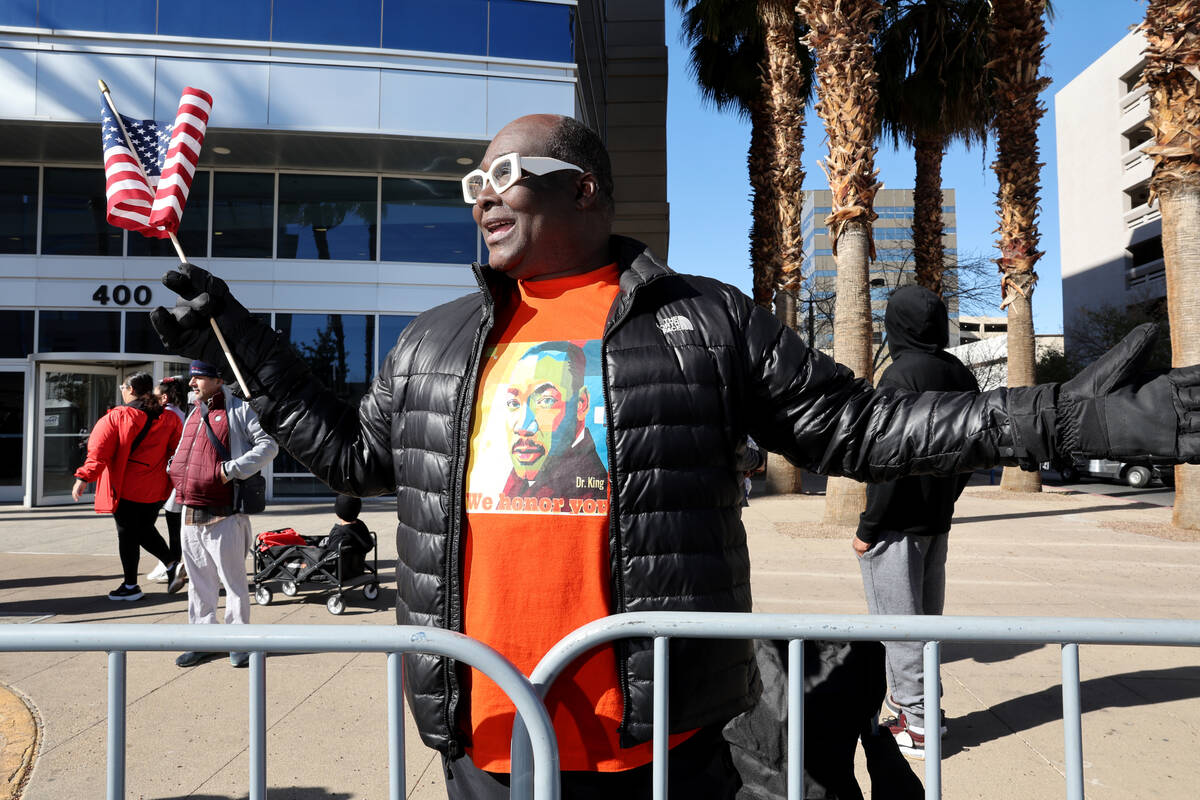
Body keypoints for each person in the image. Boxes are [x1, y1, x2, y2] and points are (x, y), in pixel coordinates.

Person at [150, 113, 1200, 797]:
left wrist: (1075, 421)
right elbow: (355, 455)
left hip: (655, 739)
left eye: (511, 172)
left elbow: (862, 428)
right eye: (476, 175)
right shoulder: (433, 341)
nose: (484, 190)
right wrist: (234, 336)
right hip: (481, 734)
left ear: (588, 191)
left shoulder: (703, 322)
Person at [853, 285, 980, 760]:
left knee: (898, 626)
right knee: (926, 623)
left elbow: (889, 463)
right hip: (936, 521)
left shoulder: (898, 377)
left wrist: (868, 528)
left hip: (896, 525)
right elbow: (974, 452)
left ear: (896, 325)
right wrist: (946, 498)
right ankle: (926, 713)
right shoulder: (961, 374)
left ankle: (917, 723)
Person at [169, 360, 277, 669]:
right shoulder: (194, 411)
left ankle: (238, 643)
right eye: (192, 379)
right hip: (190, 509)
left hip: (226, 512)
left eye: (198, 378)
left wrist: (230, 470)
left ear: (218, 380)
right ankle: (202, 640)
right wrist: (174, 465)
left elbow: (268, 446)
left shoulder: (241, 410)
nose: (192, 384)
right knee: (199, 581)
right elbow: (185, 450)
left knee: (233, 583)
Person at [71, 372, 184, 601]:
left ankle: (152, 574)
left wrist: (83, 478)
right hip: (156, 489)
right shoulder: (168, 418)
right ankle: (141, 579)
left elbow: (98, 452)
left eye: (123, 386)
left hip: (127, 487)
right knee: (141, 531)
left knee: (130, 534)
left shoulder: (118, 417)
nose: (121, 389)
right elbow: (176, 453)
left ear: (131, 389)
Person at [500, 341, 608, 500]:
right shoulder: (523, 474)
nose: (523, 427)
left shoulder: (591, 491)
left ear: (581, 404)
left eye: (546, 401)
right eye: (514, 403)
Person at [147, 376, 188, 589]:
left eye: (154, 396)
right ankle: (173, 564)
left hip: (173, 476)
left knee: (174, 525)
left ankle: (172, 565)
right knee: (175, 525)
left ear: (163, 397)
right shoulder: (182, 413)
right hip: (179, 475)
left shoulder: (167, 415)